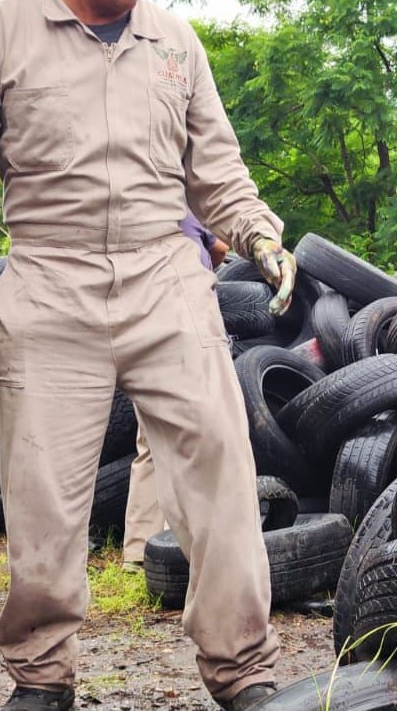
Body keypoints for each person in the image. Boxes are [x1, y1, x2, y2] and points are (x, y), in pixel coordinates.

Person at [0, 0, 296, 711]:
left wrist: (260, 233)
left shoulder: (175, 42)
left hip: (169, 278)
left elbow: (219, 174)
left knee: (221, 478)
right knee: (45, 499)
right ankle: (42, 680)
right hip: (49, 281)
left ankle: (243, 673)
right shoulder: (1, 33)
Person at [121, 210, 227, 573]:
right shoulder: (182, 208)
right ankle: (179, 552)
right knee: (188, 439)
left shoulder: (133, 211)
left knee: (149, 443)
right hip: (184, 329)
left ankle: (138, 550)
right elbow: (221, 248)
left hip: (140, 328)